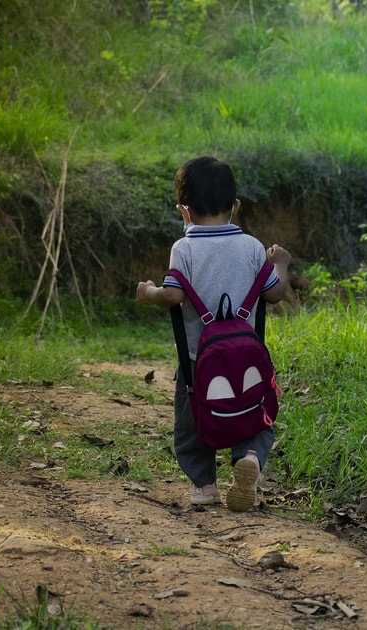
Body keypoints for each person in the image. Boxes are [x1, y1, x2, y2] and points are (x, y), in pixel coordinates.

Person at [136, 156, 292, 512]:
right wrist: (280, 264)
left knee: (192, 424)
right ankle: (249, 455)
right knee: (255, 412)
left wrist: (148, 293)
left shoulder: (184, 248)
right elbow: (274, 294)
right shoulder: (252, 247)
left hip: (196, 364)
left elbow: (173, 295)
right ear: (235, 207)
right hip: (247, 361)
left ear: (184, 211)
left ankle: (204, 485)